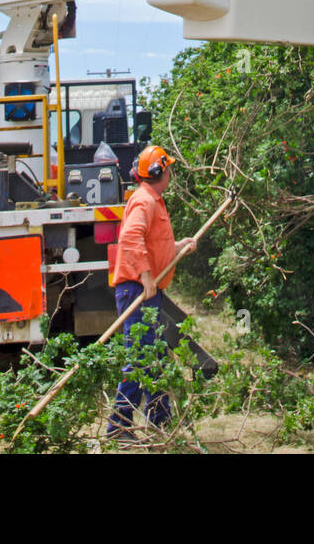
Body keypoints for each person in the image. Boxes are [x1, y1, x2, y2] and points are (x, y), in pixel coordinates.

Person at [106, 145, 196, 439]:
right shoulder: (144, 201)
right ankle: (118, 427)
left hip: (147, 289)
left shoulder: (153, 200)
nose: (170, 173)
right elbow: (130, 239)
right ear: (159, 172)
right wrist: (145, 276)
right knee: (141, 358)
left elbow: (154, 244)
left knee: (155, 355)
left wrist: (179, 246)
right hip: (136, 289)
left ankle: (160, 422)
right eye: (167, 168)